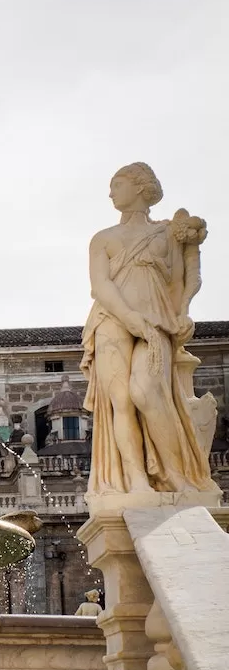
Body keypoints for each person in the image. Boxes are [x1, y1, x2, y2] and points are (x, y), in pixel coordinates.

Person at [80, 163, 218, 494]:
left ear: (140, 188)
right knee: (121, 400)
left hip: (157, 322)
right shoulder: (103, 239)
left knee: (146, 391)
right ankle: (137, 481)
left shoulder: (168, 233)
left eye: (118, 184)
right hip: (111, 320)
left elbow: (187, 277)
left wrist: (184, 312)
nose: (111, 192)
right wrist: (129, 317)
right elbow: (100, 285)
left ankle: (174, 475)